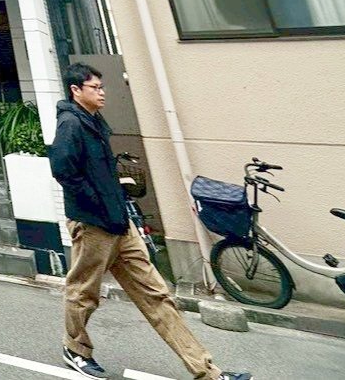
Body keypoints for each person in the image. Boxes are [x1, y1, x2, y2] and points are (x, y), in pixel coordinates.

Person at [50, 63, 251, 380]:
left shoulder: (94, 121)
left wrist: (117, 199)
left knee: (157, 296)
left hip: (119, 223)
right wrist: (99, 204)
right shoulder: (70, 123)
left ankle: (208, 372)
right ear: (76, 90)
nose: (102, 93)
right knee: (83, 292)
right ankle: (75, 349)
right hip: (93, 225)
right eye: (95, 87)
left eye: (102, 87)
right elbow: (63, 171)